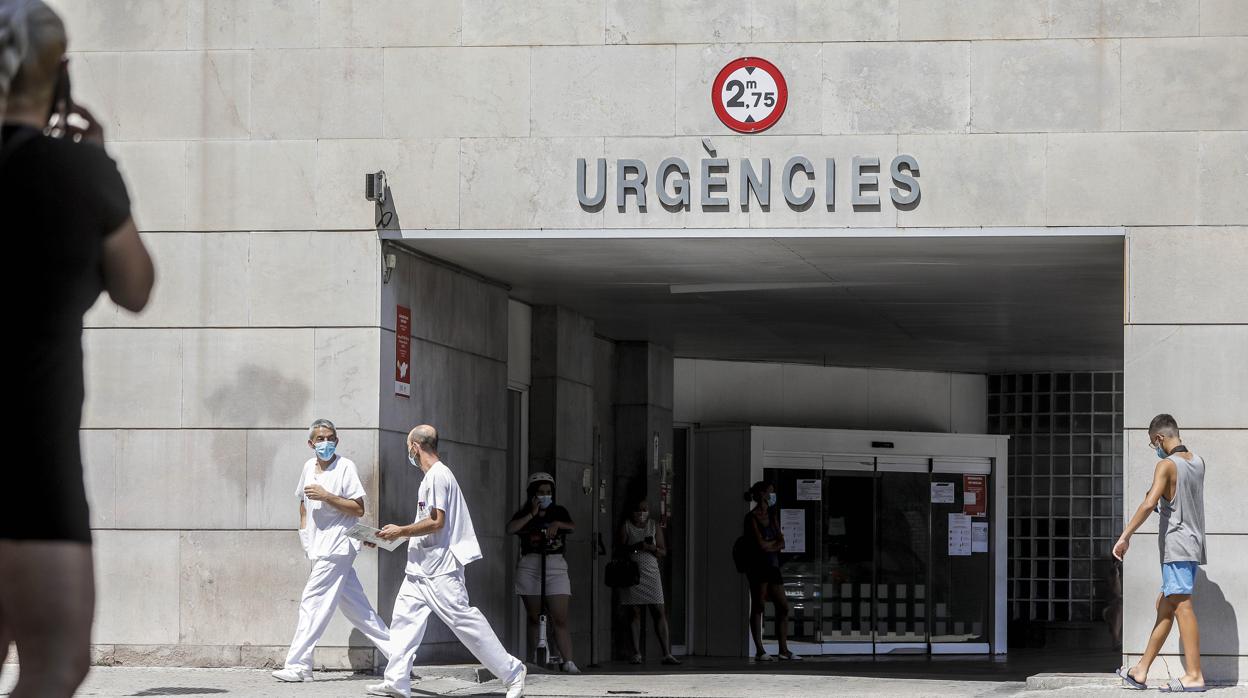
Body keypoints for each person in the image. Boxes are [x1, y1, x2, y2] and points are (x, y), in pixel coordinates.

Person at [0, 2, 154, 696]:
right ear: (59, 74)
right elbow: (136, 288)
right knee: (56, 663)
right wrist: (99, 167)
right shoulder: (79, 174)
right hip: (33, 458)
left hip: (37, 463)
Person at [370, 425, 526, 698]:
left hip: (440, 570)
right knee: (404, 623)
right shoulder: (430, 478)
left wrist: (400, 531)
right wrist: (389, 537)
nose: (409, 453)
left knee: (464, 621)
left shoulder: (438, 476)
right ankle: (396, 681)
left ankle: (513, 672)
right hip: (419, 569)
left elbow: (436, 522)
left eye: (408, 447)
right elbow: (425, 525)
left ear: (415, 447)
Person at [272, 419, 392, 682]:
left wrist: (327, 496)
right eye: (321, 439)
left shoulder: (345, 466)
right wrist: (305, 536)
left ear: (336, 440)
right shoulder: (308, 467)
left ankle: (299, 666)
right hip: (319, 547)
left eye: (330, 438)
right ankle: (400, 656)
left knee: (312, 603)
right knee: (359, 611)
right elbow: (303, 503)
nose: (326, 443)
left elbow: (358, 509)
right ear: (311, 443)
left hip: (338, 546)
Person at [1113, 414, 1206, 692]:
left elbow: (1148, 504)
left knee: (1182, 605)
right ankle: (1141, 670)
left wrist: (1125, 536)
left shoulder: (1166, 465)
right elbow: (1174, 498)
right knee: (1164, 606)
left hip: (1176, 547)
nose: (1154, 448)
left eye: (1153, 443)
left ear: (1159, 438)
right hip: (1192, 545)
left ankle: (1194, 675)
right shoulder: (1198, 462)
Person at [506, 471, 579, 673]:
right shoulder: (524, 513)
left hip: (555, 565)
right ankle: (534, 660)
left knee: (560, 617)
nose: (545, 495)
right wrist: (532, 514)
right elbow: (510, 529)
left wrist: (557, 524)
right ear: (532, 494)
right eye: (541, 492)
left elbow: (572, 526)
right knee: (534, 617)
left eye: (548, 492)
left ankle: (568, 661)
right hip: (531, 565)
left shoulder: (559, 511)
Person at [617, 499, 680, 666]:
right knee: (634, 613)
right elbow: (619, 549)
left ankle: (666, 653)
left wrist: (652, 548)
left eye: (644, 509)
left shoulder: (653, 526)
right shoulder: (626, 526)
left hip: (651, 573)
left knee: (659, 610)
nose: (641, 513)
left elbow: (663, 551)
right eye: (638, 509)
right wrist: (636, 547)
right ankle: (636, 653)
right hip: (632, 574)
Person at [742, 481, 800, 662]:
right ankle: (760, 650)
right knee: (758, 606)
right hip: (757, 567)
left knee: (783, 607)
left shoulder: (773, 516)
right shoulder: (751, 518)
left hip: (773, 566)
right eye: (770, 492)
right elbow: (761, 545)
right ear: (762, 494)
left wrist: (771, 545)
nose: (772, 495)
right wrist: (772, 544)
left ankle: (783, 649)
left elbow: (781, 543)